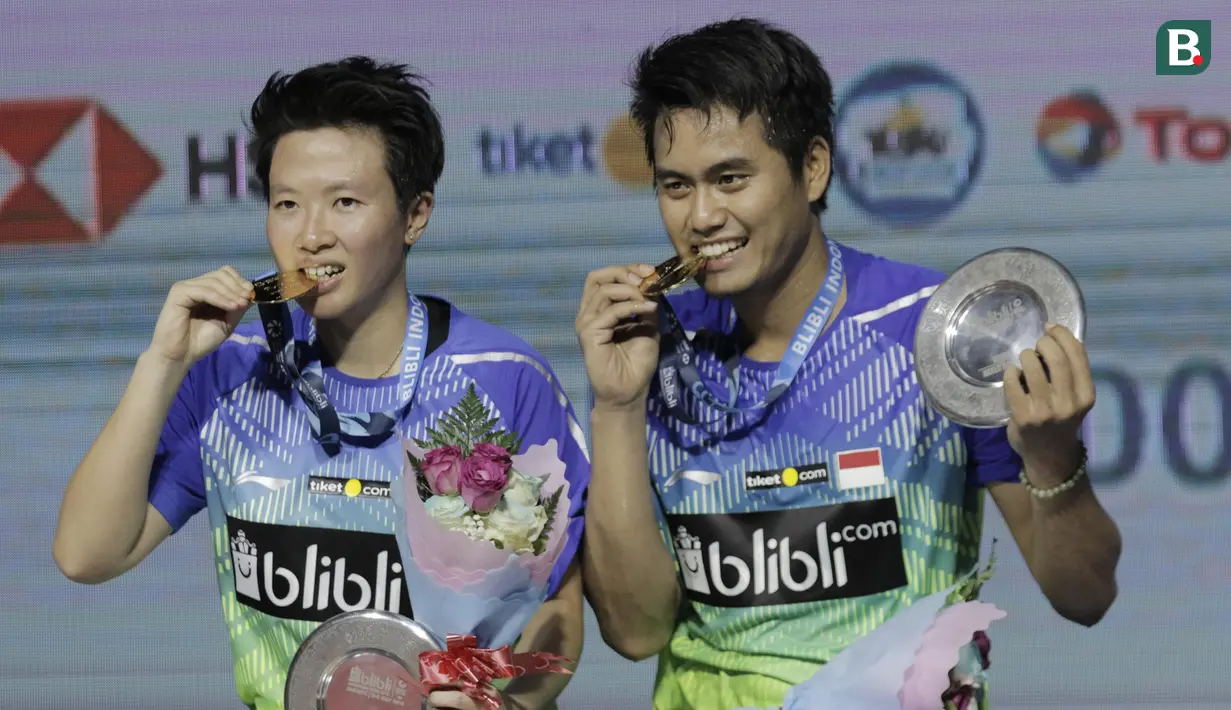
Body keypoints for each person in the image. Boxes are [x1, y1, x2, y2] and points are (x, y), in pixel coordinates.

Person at [576, 18, 1121, 710]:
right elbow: (634, 630)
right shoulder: (653, 351)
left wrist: (1050, 460)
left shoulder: (935, 333)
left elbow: (1084, 596)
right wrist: (617, 408)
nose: (701, 215)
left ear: (812, 168)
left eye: (731, 178)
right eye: (675, 186)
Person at [54, 56, 588, 710]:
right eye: (286, 204)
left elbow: (557, 607)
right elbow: (86, 555)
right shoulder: (230, 370)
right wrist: (162, 362)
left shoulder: (505, 381)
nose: (310, 235)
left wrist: (509, 703)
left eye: (345, 202)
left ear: (414, 215)